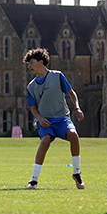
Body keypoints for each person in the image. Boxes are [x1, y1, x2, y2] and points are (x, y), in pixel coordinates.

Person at [24, 48, 85, 190]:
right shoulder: (31, 86)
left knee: (74, 135)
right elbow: (33, 107)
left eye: (31, 63)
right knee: (45, 141)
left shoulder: (58, 76)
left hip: (62, 119)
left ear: (41, 62)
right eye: (28, 64)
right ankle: (33, 180)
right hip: (45, 121)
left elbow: (71, 93)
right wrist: (39, 118)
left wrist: (77, 108)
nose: (29, 67)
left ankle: (76, 173)